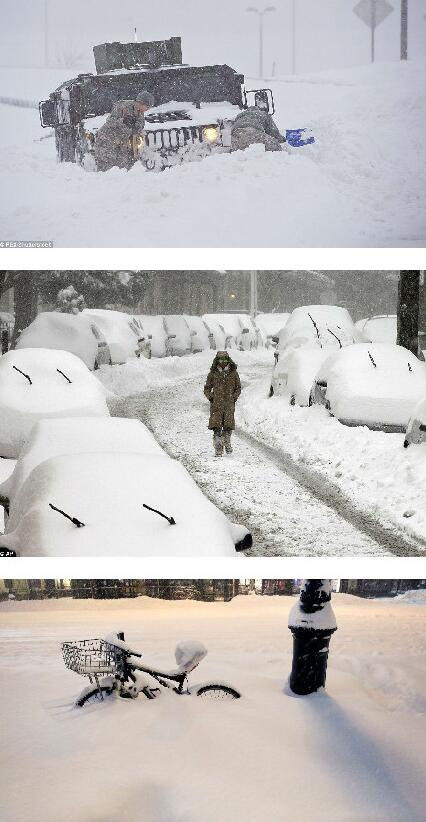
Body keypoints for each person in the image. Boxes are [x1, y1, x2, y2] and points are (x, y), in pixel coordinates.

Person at [94, 90, 155, 172]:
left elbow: (140, 125)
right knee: (107, 167)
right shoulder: (123, 107)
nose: (148, 109)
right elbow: (110, 121)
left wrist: (135, 127)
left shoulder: (140, 112)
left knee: (123, 167)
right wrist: (123, 121)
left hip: (122, 142)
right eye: (147, 107)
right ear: (141, 103)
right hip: (107, 141)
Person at [204, 352, 241, 457]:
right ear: (217, 360)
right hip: (217, 405)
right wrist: (211, 397)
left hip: (229, 405)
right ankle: (218, 448)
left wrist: (234, 397)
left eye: (225, 360)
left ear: (228, 360)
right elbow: (207, 388)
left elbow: (238, 387)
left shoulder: (233, 373)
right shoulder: (213, 373)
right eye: (220, 360)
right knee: (216, 428)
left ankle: (227, 443)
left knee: (228, 427)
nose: (223, 362)